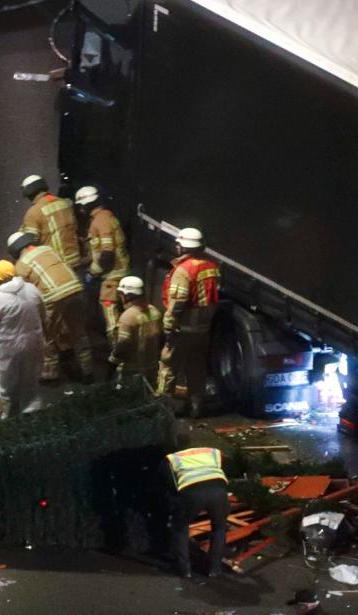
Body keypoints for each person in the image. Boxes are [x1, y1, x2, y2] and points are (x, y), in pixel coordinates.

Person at [8, 231, 92, 383]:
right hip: (75, 288)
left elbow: (26, 293)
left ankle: (51, 374)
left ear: (15, 250)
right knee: (79, 332)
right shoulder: (49, 249)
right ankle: (88, 372)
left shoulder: (20, 265)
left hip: (53, 297)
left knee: (48, 335)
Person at [156, 228, 221, 416]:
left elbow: (178, 303)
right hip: (203, 329)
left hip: (182, 329)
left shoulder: (183, 270)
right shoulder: (211, 267)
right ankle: (196, 408)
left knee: (168, 367)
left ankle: (162, 409)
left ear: (182, 247)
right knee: (197, 368)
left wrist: (168, 327)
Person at [0, 260, 46, 418]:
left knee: (8, 384)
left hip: (8, 348)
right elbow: (43, 313)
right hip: (34, 343)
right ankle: (33, 416)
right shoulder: (32, 289)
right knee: (31, 381)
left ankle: (10, 417)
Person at [161, 446, 230, 579]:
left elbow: (170, 484)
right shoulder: (212, 452)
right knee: (219, 528)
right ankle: (214, 569)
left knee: (180, 528)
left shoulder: (171, 459)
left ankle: (184, 570)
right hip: (218, 492)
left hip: (191, 494)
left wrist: (175, 504)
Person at [77, 186, 129, 339]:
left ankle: (117, 353)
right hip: (120, 271)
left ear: (86, 205)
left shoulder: (100, 222)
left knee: (111, 318)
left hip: (113, 275)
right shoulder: (107, 217)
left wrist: (92, 273)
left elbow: (107, 254)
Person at [108, 276, 162, 384]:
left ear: (127, 295)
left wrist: (111, 364)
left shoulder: (128, 317)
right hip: (152, 369)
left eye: (121, 295)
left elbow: (123, 345)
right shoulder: (155, 311)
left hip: (132, 373)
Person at [19, 175, 81, 268]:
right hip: (75, 259)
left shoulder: (33, 212)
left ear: (29, 192)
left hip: (58, 264)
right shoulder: (64, 203)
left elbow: (30, 242)